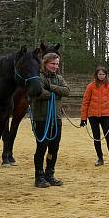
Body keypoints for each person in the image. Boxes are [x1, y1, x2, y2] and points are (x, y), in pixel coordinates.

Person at [31, 52, 70, 188]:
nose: (55, 66)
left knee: (54, 147)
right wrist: (55, 94)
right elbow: (38, 93)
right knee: (41, 147)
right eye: (53, 64)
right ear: (45, 63)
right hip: (42, 118)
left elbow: (66, 90)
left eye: (57, 64)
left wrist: (52, 88)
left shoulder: (59, 78)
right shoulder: (38, 78)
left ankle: (50, 173)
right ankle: (39, 176)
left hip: (56, 118)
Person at [80, 66, 109, 166]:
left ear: (106, 75)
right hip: (93, 116)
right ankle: (100, 158)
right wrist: (83, 118)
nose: (101, 76)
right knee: (96, 137)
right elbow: (85, 102)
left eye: (103, 74)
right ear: (96, 75)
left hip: (106, 115)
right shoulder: (91, 86)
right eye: (99, 74)